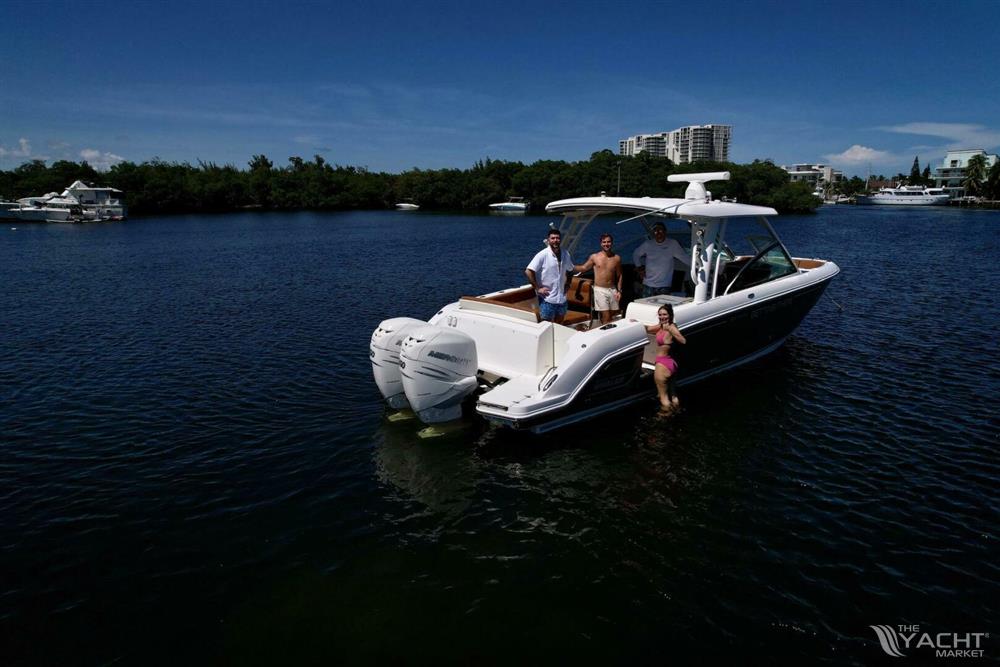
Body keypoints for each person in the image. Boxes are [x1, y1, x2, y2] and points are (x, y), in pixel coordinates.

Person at [525, 228, 574, 323]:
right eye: (553, 238)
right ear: (548, 240)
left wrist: (568, 283)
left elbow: (570, 270)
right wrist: (537, 288)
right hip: (547, 299)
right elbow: (528, 271)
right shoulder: (542, 255)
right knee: (545, 327)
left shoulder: (565, 253)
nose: (555, 240)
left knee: (559, 325)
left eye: (558, 238)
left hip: (562, 299)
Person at [573, 233, 622, 324]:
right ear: (601, 243)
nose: (606, 244)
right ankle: (606, 336)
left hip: (613, 290)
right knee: (606, 317)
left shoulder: (617, 258)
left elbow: (619, 275)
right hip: (600, 290)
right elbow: (584, 268)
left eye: (608, 242)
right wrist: (570, 266)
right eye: (604, 242)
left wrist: (619, 291)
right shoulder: (594, 257)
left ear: (611, 243)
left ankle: (608, 333)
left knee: (612, 316)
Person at [645, 304, 686, 411]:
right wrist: (634, 323)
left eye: (665, 314)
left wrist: (671, 330)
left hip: (662, 365)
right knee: (673, 395)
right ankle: (677, 411)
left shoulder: (671, 327)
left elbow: (683, 340)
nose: (662, 317)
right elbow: (648, 329)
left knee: (663, 397)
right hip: (671, 363)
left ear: (670, 315)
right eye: (660, 315)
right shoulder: (661, 326)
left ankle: (666, 418)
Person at [633, 221, 690, 298]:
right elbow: (636, 254)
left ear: (665, 232)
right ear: (653, 233)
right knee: (646, 306)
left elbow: (684, 257)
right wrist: (639, 268)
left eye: (660, 230)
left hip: (664, 285)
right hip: (648, 283)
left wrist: (697, 266)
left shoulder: (672, 244)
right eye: (656, 231)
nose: (658, 233)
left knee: (662, 309)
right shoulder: (648, 244)